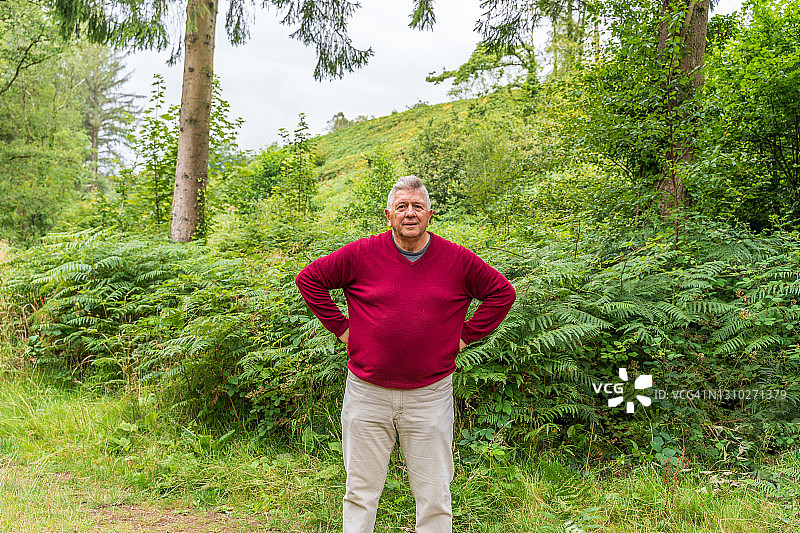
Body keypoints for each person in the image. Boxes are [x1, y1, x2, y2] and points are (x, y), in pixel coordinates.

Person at [295, 175, 516, 533]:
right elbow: (309, 280)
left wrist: (465, 337)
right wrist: (343, 329)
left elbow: (502, 293)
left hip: (430, 395)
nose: (409, 213)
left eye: (417, 206)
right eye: (401, 207)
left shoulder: (457, 259)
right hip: (367, 392)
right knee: (360, 491)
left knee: (434, 494)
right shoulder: (361, 254)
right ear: (389, 215)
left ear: (429, 214)